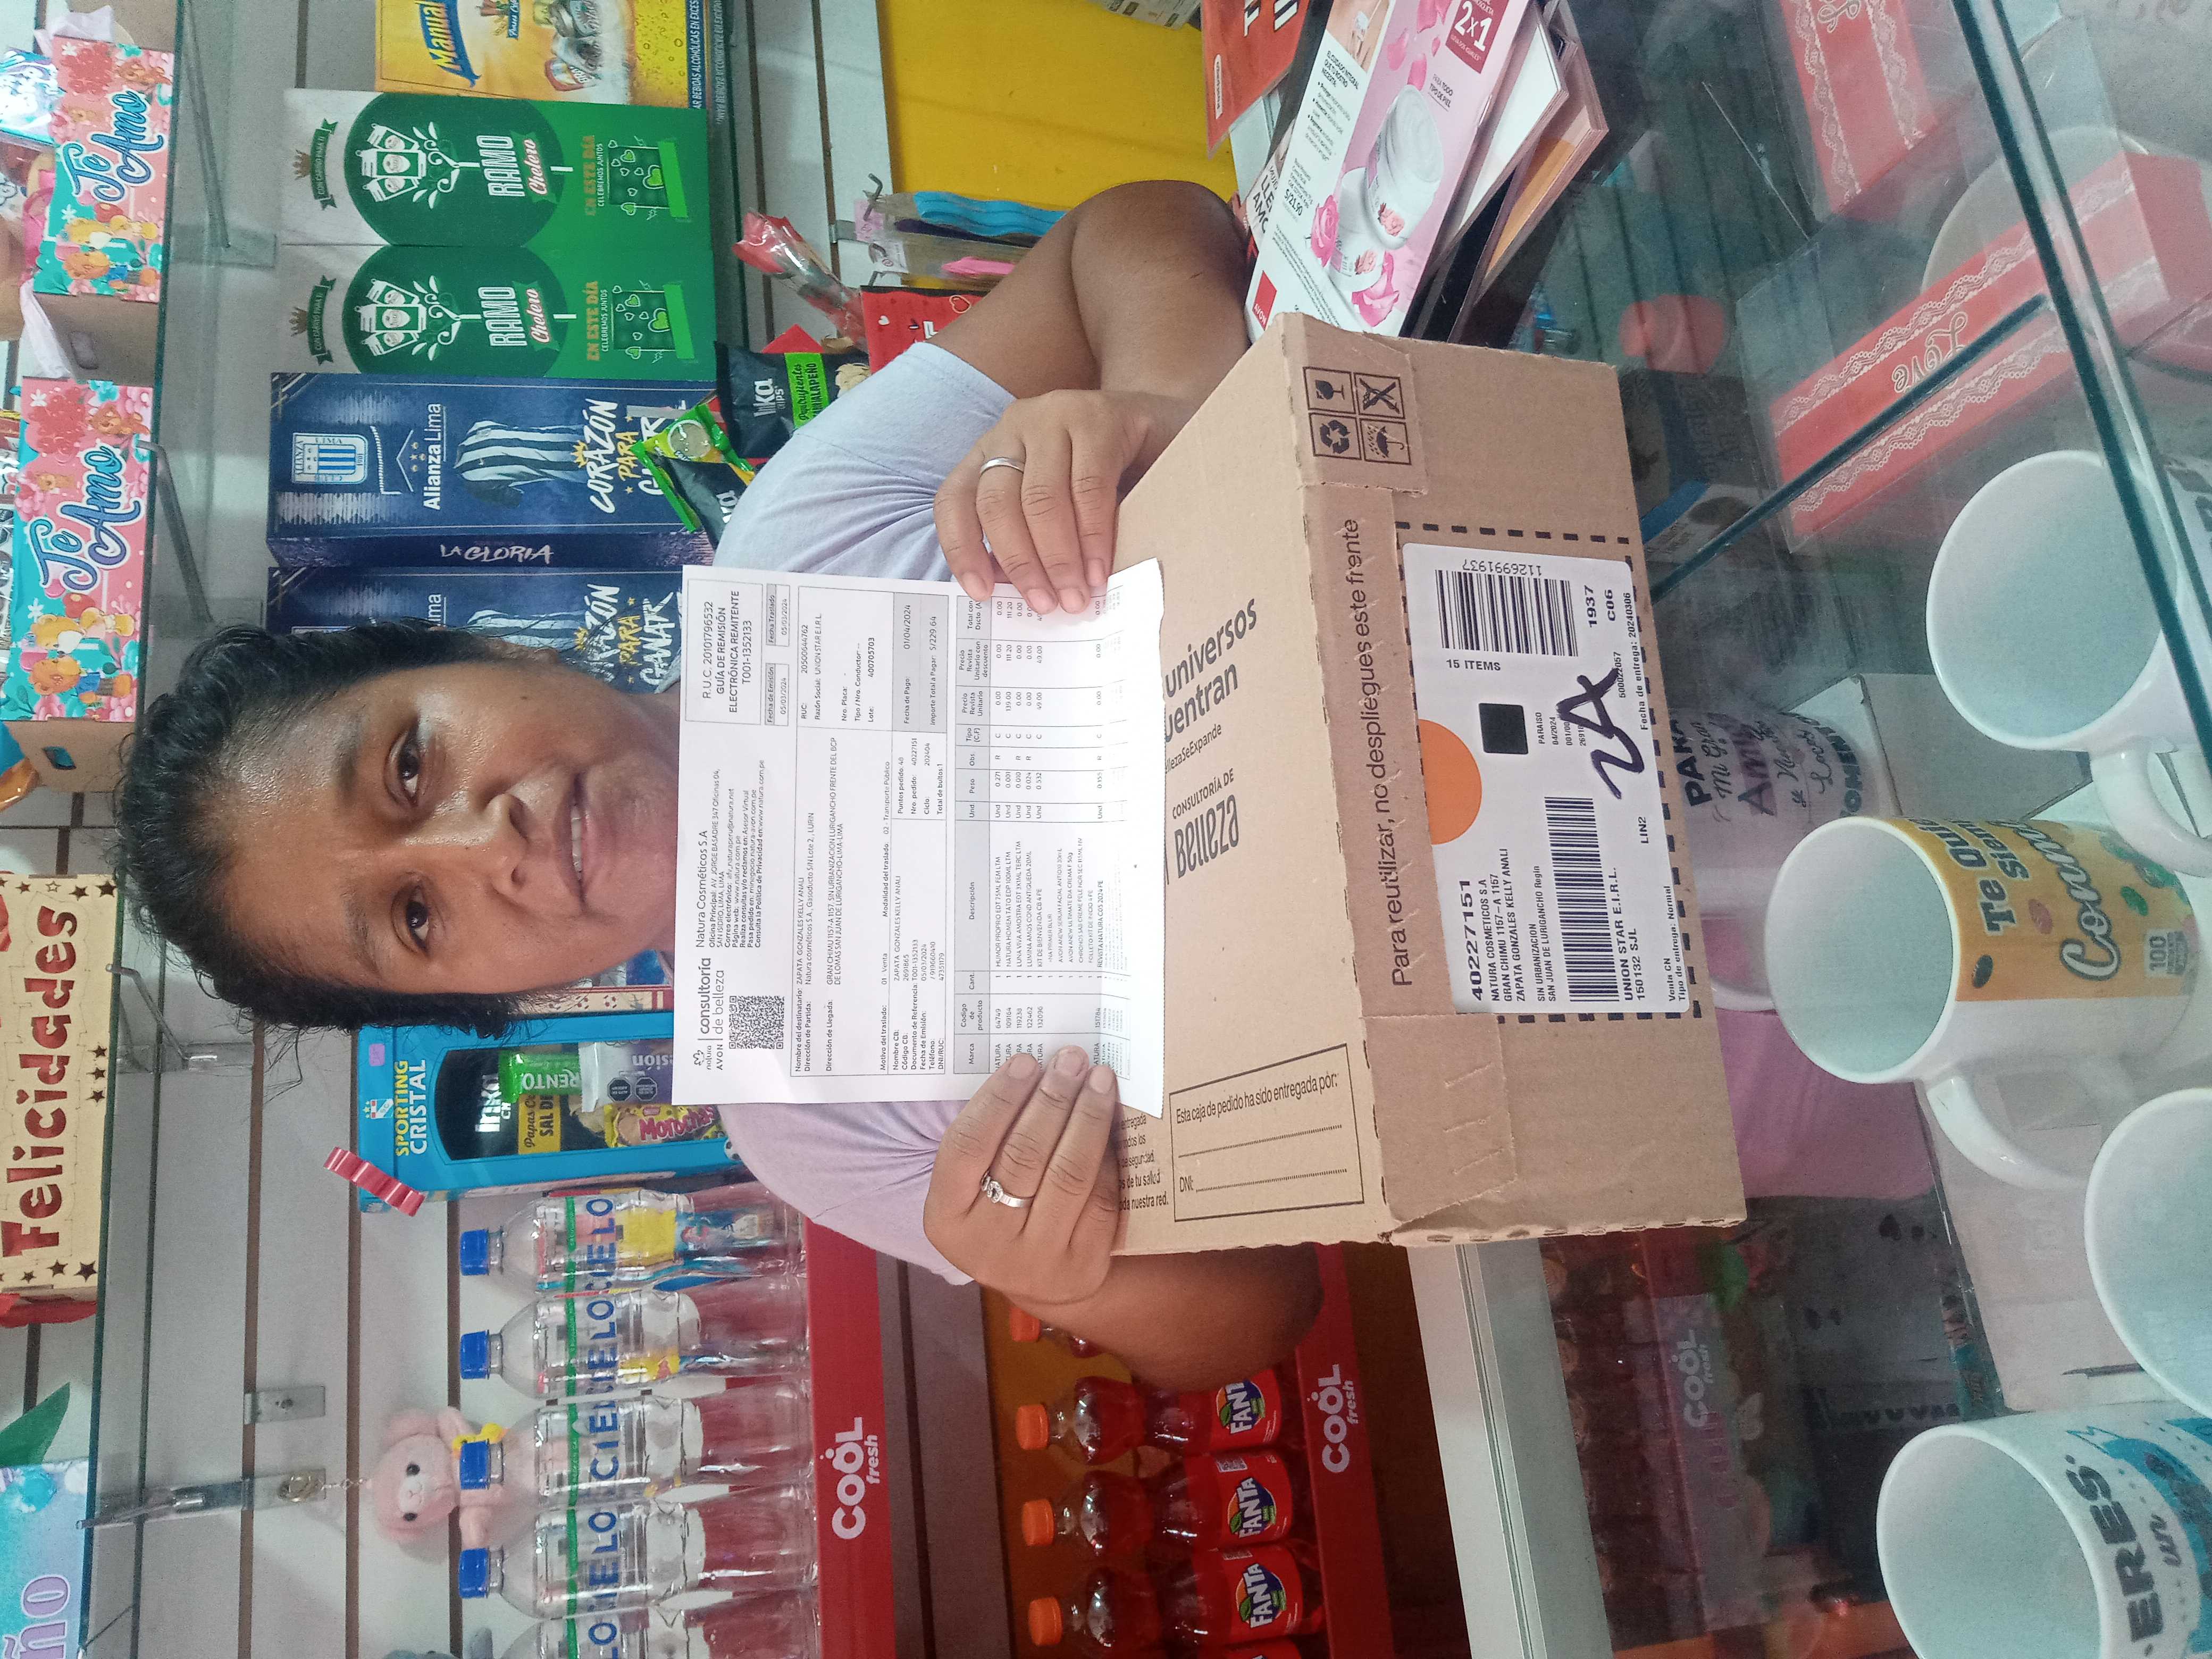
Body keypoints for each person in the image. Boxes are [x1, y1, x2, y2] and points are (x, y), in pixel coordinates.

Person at [113, 182, 1320, 1387]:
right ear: (496, 1001)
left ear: (488, 648)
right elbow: (1262, 1317)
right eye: (417, 917)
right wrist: (1065, 1273)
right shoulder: (809, 1127)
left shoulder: (806, 536)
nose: (490, 846)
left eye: (410, 765)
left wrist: (1168, 407)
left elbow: (1139, 227)